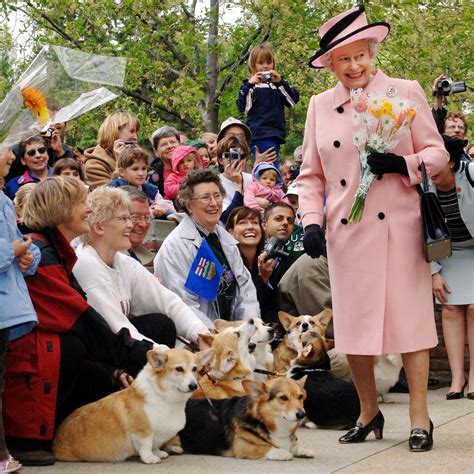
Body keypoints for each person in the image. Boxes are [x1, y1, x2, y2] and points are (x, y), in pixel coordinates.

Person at [298, 5, 448, 451]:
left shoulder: (404, 92)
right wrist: (309, 221)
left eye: (359, 54)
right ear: (330, 64)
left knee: (411, 323)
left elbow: (439, 155)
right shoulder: (319, 106)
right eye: (343, 59)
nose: (354, 66)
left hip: (401, 230)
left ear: (372, 50)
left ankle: (420, 417)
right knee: (355, 328)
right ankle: (369, 412)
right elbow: (311, 175)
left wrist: (405, 163)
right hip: (347, 232)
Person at [3, 177, 152, 466]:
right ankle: (29, 437)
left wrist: (118, 365)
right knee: (68, 345)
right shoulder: (41, 254)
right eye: (82, 203)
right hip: (30, 364)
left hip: (53, 352)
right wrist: (148, 358)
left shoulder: (55, 251)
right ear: (61, 210)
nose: (88, 209)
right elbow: (82, 320)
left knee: (122, 351)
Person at [73, 186, 209, 349]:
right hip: (96, 356)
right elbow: (118, 328)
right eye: (123, 219)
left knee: (160, 323)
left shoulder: (123, 261)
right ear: (99, 227)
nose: (130, 225)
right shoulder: (85, 263)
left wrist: (201, 334)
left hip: (115, 348)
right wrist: (168, 356)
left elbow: (166, 301)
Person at [154, 169, 259, 327]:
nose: (214, 203)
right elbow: (184, 305)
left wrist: (249, 328)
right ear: (189, 205)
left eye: (217, 196)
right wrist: (216, 338)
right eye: (205, 198)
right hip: (200, 340)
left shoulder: (225, 239)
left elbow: (245, 290)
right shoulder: (175, 246)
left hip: (236, 336)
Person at [0, 146, 39, 473]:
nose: (10, 156)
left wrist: (27, 256)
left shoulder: (2, 199)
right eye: (4, 151)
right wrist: (10, 250)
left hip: (7, 304)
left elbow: (17, 245)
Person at [430, 138, 474, 401]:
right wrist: (434, 272)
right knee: (450, 308)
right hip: (449, 252)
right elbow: (422, 229)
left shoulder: (470, 175)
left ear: (449, 161)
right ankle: (457, 377)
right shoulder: (423, 185)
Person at [237, 43, 300, 165]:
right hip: (260, 134)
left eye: (269, 62)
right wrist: (250, 85)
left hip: (276, 134)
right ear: (253, 65)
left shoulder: (278, 85)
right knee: (268, 170)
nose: (265, 66)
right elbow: (243, 108)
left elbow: (292, 101)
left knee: (271, 169)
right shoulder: (250, 86)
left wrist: (280, 82)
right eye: (261, 63)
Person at [225, 206, 276, 325]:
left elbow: (272, 305)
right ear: (231, 232)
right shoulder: (227, 264)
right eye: (242, 223)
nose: (250, 227)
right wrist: (262, 278)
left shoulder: (267, 261)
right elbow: (241, 305)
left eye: (255, 222)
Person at [108, 146, 174, 220]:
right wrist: (147, 211)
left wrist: (160, 207)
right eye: (135, 169)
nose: (141, 173)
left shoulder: (150, 190)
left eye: (144, 168)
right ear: (122, 172)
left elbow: (170, 207)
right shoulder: (114, 188)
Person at [83, 111, 140, 188]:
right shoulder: (94, 165)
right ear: (115, 132)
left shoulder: (131, 157)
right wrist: (120, 164)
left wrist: (140, 160)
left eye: (136, 132)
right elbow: (108, 196)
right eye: (132, 131)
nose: (135, 137)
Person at [216, 134, 253, 223]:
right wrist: (239, 185)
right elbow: (227, 217)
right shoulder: (215, 183)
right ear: (220, 160)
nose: (237, 160)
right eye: (231, 156)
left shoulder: (252, 179)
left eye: (242, 156)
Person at [148, 125, 180, 196]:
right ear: (156, 152)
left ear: (180, 144)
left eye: (173, 142)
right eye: (164, 144)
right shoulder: (152, 175)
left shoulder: (192, 166)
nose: (170, 146)